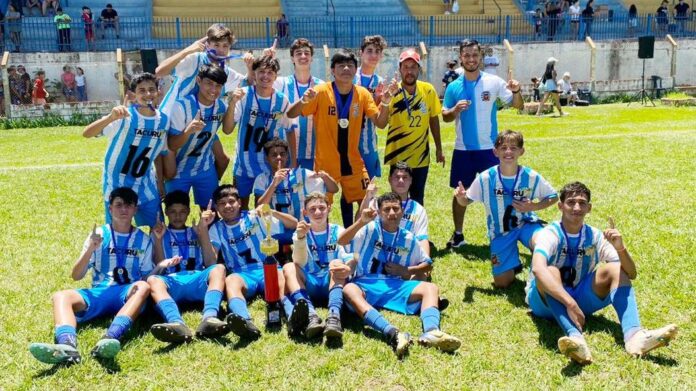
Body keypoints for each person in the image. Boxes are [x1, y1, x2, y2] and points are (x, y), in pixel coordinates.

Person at [526, 182, 678, 364]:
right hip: (545, 302)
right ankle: (575, 339)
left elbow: (630, 273)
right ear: (560, 206)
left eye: (582, 203)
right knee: (550, 271)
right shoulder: (550, 233)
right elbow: (537, 268)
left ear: (589, 208)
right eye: (571, 202)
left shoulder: (596, 236)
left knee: (615, 268)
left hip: (580, 298)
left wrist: (621, 248)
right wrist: (570, 303)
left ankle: (635, 336)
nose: (576, 207)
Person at [28, 187, 180, 365]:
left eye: (128, 205)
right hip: (100, 292)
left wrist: (160, 266)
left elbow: (146, 278)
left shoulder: (143, 239)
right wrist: (90, 250)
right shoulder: (99, 235)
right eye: (118, 205)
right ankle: (67, 347)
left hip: (127, 293)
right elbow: (76, 276)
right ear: (110, 209)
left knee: (143, 286)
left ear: (135, 210)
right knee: (61, 296)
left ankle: (110, 337)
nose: (123, 210)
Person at [338, 192, 461, 357]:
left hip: (395, 285)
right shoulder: (369, 228)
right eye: (386, 209)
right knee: (349, 289)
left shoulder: (408, 238)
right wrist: (361, 221)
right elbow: (342, 241)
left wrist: (406, 271)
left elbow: (427, 263)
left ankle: (432, 332)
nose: (391, 213)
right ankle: (391, 332)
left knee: (430, 288)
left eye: (395, 209)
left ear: (402, 212)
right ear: (379, 212)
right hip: (366, 284)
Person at [287, 49, 395, 228]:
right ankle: (323, 242)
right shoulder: (321, 91)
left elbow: (381, 123)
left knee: (367, 202)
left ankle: (356, 240)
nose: (346, 68)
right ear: (332, 70)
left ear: (355, 69)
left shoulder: (362, 94)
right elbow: (291, 113)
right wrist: (303, 101)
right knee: (319, 207)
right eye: (341, 65)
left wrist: (385, 103)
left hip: (353, 162)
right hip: (325, 165)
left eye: (350, 65)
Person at [441, 39, 523, 249]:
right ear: (461, 57)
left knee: (499, 192)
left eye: (474, 55)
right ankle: (458, 234)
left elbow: (517, 106)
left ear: (481, 57)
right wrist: (454, 110)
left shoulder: (493, 82)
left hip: (490, 150)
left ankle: (503, 233)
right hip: (463, 150)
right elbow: (445, 116)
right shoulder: (453, 86)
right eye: (466, 55)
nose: (470, 59)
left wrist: (516, 91)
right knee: (460, 193)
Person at [454, 130, 557, 287]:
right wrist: (460, 197)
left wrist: (534, 206)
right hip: (500, 232)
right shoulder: (485, 178)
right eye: (503, 148)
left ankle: (538, 278)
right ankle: (513, 264)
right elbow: (465, 202)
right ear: (495, 152)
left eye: (514, 148)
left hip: (526, 224)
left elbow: (553, 196)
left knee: (543, 241)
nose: (508, 152)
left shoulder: (530, 176)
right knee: (502, 283)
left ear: (521, 151)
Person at [201, 184, 298, 340]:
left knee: (280, 277)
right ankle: (244, 321)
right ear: (217, 208)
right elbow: (210, 262)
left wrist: (271, 211)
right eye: (222, 203)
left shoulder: (255, 217)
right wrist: (204, 230)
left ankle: (293, 315)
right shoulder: (216, 229)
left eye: (231, 201)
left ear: (240, 203)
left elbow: (294, 224)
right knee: (231, 281)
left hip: (267, 267)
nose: (227, 206)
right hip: (242, 274)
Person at [82, 73, 173, 228]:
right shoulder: (124, 116)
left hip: (146, 187)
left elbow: (157, 154)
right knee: (117, 236)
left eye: (151, 89)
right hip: (116, 186)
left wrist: (160, 183)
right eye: (142, 91)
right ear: (134, 95)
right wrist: (110, 118)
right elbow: (87, 133)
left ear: (159, 91)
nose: (148, 94)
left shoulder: (163, 121)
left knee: (158, 231)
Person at [148, 190, 231, 343]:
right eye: (172, 212)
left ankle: (210, 317)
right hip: (172, 284)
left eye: (182, 212)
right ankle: (176, 322)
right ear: (166, 212)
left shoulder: (195, 231)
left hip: (196, 281)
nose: (177, 216)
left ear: (188, 212)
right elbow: (159, 266)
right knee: (153, 280)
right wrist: (158, 241)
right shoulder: (159, 233)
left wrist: (203, 232)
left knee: (219, 268)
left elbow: (211, 262)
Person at [225, 55, 294, 210]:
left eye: (270, 72)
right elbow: (227, 130)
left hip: (268, 165)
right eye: (261, 71)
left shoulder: (282, 100)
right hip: (244, 164)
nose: (265, 76)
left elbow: (290, 130)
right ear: (254, 73)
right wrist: (232, 104)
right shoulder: (243, 95)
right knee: (241, 207)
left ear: (276, 76)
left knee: (264, 207)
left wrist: (293, 161)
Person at [283, 192, 353, 339]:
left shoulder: (338, 230)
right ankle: (310, 315)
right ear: (305, 212)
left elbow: (347, 257)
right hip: (310, 282)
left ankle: (334, 317)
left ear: (329, 208)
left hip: (331, 281)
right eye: (312, 209)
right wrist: (300, 239)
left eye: (322, 207)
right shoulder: (300, 232)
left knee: (337, 263)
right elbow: (299, 262)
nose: (318, 212)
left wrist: (346, 266)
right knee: (289, 266)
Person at [165, 64, 231, 210]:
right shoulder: (181, 106)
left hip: (204, 168)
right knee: (176, 215)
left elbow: (224, 131)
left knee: (210, 213)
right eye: (209, 83)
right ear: (198, 81)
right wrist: (188, 132)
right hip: (179, 169)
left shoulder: (221, 107)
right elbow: (171, 145)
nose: (213, 90)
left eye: (218, 85)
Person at [383, 49, 444, 206]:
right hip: (398, 156)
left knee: (418, 199)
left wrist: (439, 148)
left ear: (419, 69)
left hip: (420, 157)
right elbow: (381, 122)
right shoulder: (392, 91)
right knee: (396, 201)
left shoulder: (428, 90)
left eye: (413, 67)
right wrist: (384, 100)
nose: (409, 71)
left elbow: (433, 119)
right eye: (405, 67)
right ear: (400, 69)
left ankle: (417, 230)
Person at [266, 38, 324, 170]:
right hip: (284, 152)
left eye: (306, 53)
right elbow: (259, 83)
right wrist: (266, 59)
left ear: (312, 58)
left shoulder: (321, 86)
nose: (303, 56)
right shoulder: (280, 83)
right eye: (298, 53)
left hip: (312, 151)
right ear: (292, 58)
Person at [253, 137, 338, 222]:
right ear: (267, 158)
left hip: (302, 226)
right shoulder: (262, 179)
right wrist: (274, 184)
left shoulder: (302, 174)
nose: (279, 157)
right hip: (276, 229)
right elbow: (259, 208)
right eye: (274, 155)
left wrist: (325, 177)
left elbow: (334, 189)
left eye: (282, 154)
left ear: (287, 156)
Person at [360, 162, 431, 257]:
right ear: (389, 180)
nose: (401, 181)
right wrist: (367, 197)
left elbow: (422, 238)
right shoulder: (377, 203)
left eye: (405, 177)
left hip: (404, 254)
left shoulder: (418, 210)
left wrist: (425, 263)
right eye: (397, 177)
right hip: (377, 252)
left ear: (411, 181)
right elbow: (359, 223)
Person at [355, 35, 388, 181]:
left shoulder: (380, 82)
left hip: (369, 142)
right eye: (369, 50)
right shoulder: (350, 77)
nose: (373, 55)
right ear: (361, 53)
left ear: (381, 55)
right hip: (349, 141)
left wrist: (381, 100)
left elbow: (379, 118)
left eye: (377, 51)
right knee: (349, 189)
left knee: (371, 185)